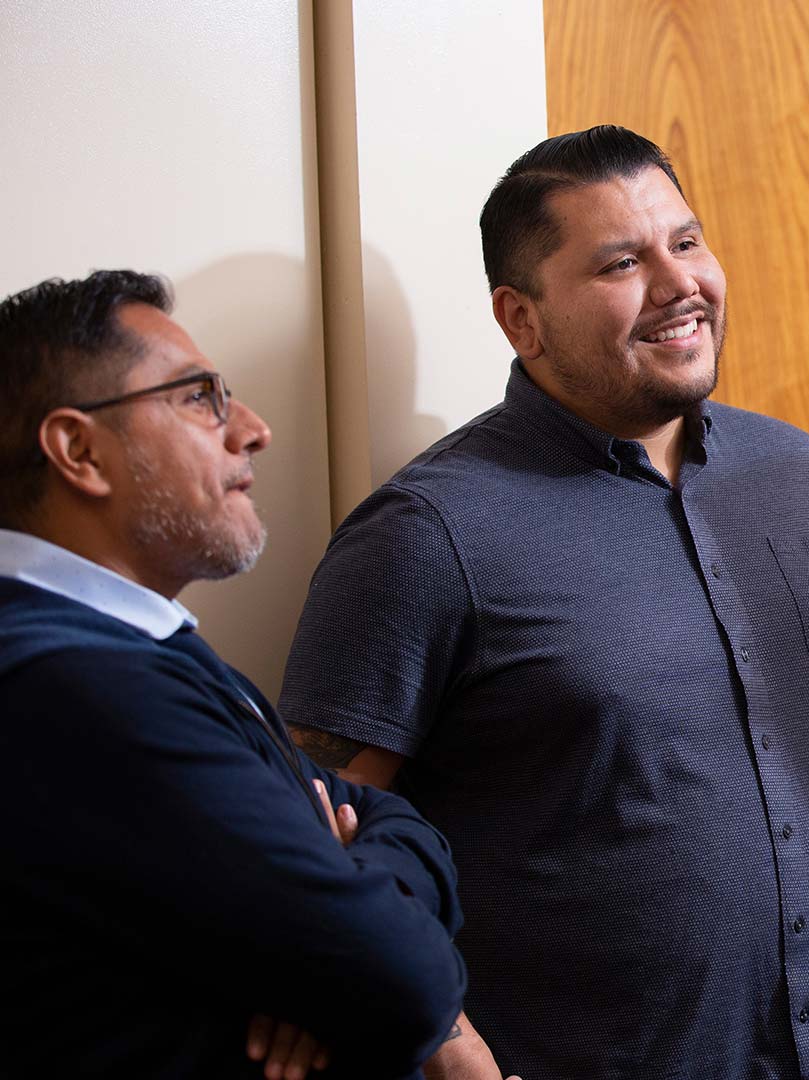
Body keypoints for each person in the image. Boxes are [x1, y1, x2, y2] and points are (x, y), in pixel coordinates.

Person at [279, 126, 809, 1080]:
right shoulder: (424, 535)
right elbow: (312, 833)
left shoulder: (798, 475)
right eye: (621, 261)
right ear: (521, 320)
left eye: (686, 243)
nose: (677, 282)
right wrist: (452, 1050)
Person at [0, 271, 467, 1079]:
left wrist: (360, 888)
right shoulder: (80, 685)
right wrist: (355, 948)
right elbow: (406, 982)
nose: (252, 430)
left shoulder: (142, 648)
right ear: (79, 451)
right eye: (199, 398)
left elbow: (391, 817)